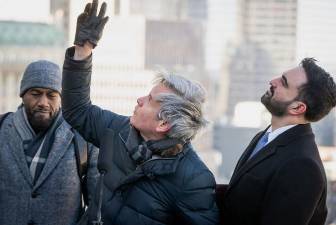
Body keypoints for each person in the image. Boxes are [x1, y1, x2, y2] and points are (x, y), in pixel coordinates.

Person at [61, 1, 219, 224]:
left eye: (150, 100)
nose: (139, 100)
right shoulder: (118, 131)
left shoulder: (193, 180)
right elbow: (77, 111)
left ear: (163, 124)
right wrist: (83, 49)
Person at [220, 58, 336, 225]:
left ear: (297, 108)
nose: (272, 81)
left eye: (283, 82)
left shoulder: (302, 166)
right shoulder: (264, 136)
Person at [0, 60, 99, 225]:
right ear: (23, 94)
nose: (43, 103)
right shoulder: (2, 128)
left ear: (61, 98)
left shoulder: (83, 138)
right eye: (35, 93)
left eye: (51, 95)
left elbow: (97, 204)